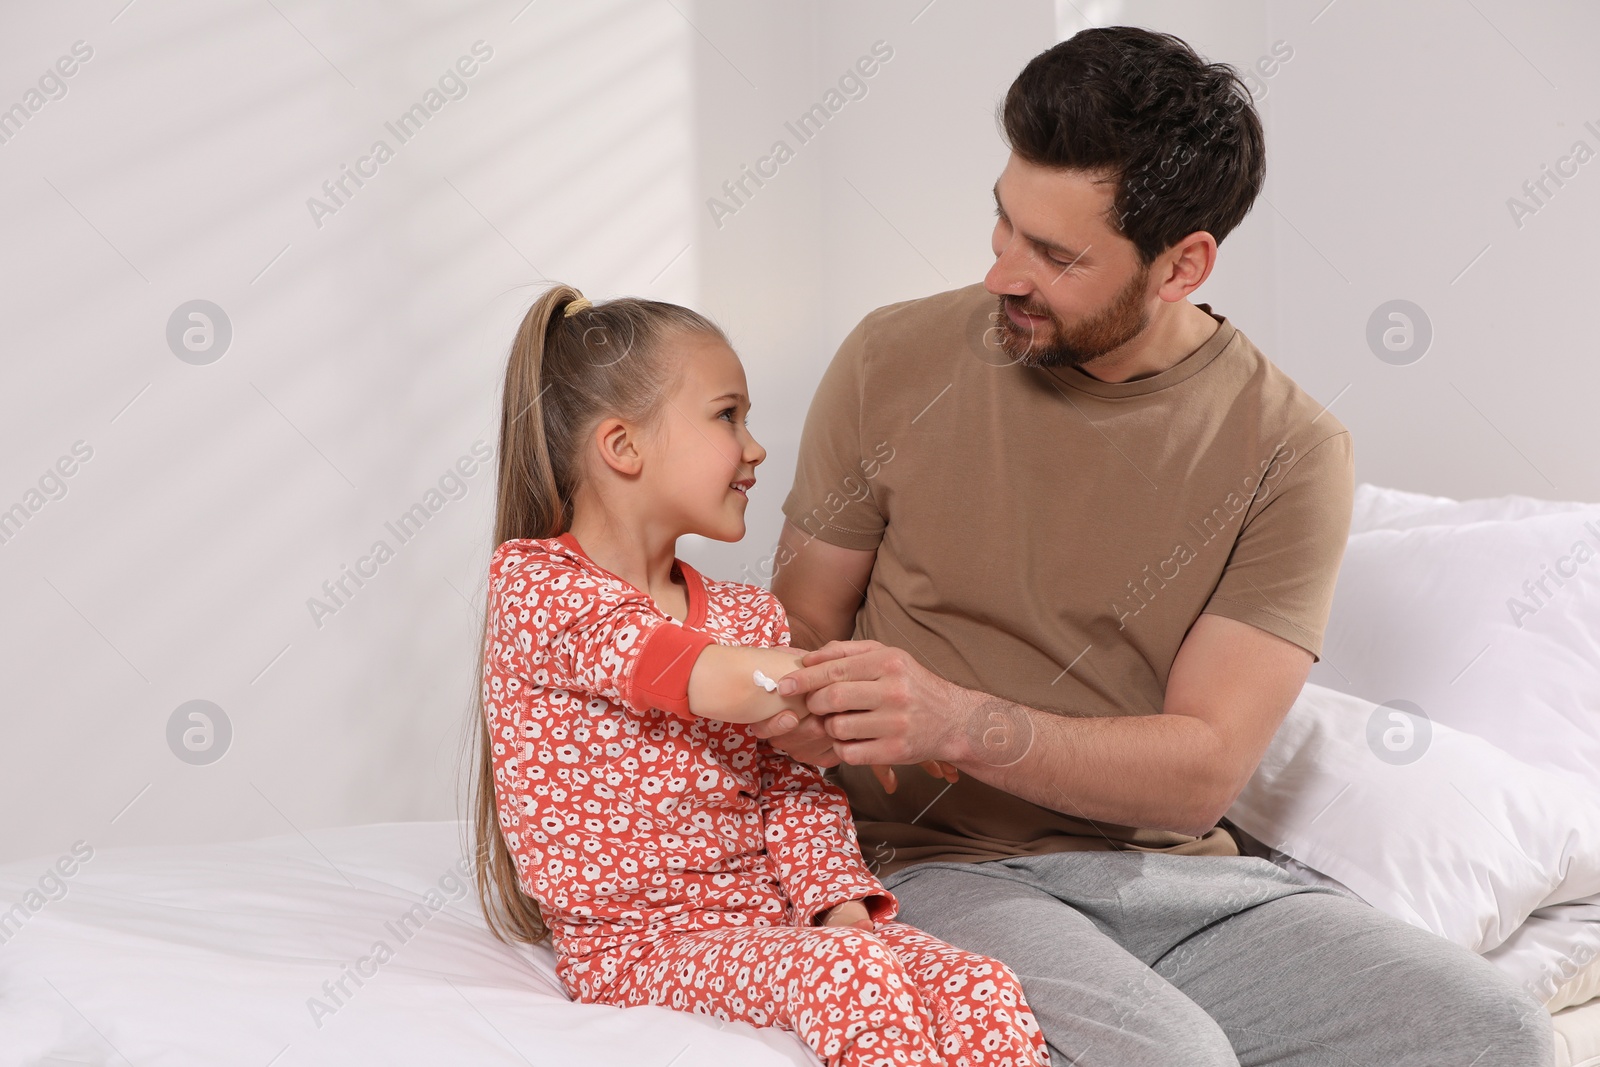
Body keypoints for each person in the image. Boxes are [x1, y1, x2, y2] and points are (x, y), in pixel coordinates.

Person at [755, 26, 1554, 1067]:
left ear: (1183, 264)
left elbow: (1198, 774)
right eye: (1004, 222)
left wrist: (954, 718)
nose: (1003, 272)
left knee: (1489, 1028)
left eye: (1055, 255)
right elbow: (797, 623)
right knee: (1167, 1054)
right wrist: (800, 712)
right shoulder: (891, 358)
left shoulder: (1288, 447)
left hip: (1178, 876)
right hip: (934, 861)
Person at [468, 282, 1049, 1067]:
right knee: (847, 976)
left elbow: (795, 794)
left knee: (976, 981)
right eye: (726, 415)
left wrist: (841, 912)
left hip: (773, 922)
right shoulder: (538, 585)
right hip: (641, 944)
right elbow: (688, 673)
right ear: (623, 446)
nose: (756, 446)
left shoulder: (749, 619)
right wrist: (859, 708)